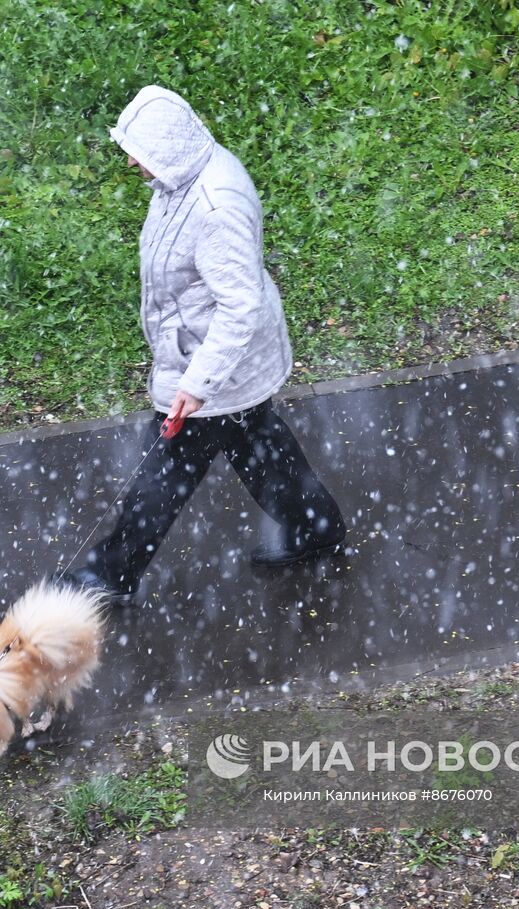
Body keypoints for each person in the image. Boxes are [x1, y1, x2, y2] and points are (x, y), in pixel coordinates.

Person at [62, 85, 346, 601]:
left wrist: (198, 384)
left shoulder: (215, 205)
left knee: (166, 473)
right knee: (261, 449)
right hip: (215, 361)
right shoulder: (182, 178)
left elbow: (240, 306)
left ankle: (110, 575)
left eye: (138, 151)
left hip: (214, 366)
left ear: (169, 148)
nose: (130, 161)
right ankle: (316, 530)